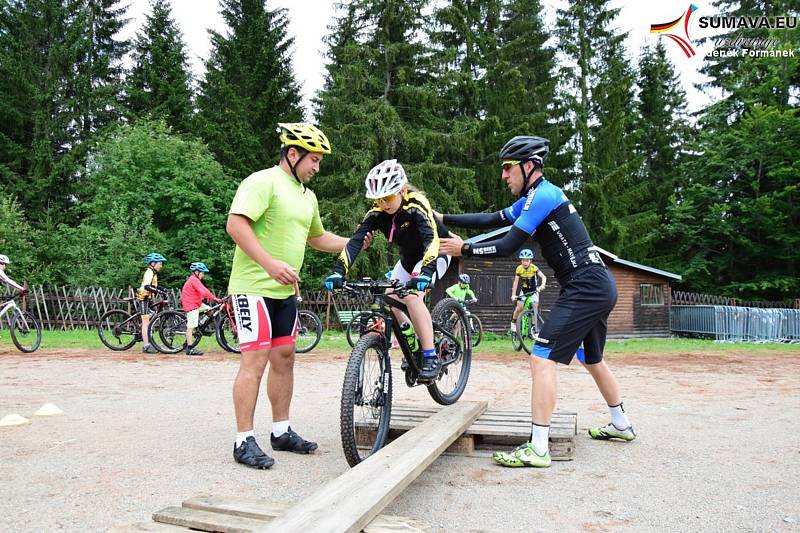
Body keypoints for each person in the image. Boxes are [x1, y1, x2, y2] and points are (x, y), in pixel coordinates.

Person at [437, 135, 635, 468]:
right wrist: (445, 217)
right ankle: (621, 424)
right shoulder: (534, 197)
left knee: (541, 358)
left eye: (507, 168)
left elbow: (509, 244)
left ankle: (539, 448)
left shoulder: (544, 195)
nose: (503, 176)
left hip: (585, 285)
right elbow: (493, 219)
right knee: (592, 358)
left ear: (529, 166)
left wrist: (465, 249)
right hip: (597, 284)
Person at [226, 122, 368, 470]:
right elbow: (236, 224)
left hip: (284, 291)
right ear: (293, 154)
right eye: (314, 160)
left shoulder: (307, 196)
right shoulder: (262, 182)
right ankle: (243, 439)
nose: (317, 168)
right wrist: (271, 264)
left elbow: (317, 238)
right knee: (255, 361)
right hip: (252, 286)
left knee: (285, 357)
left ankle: (281, 430)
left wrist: (354, 242)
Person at [324, 159, 451, 380]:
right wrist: (338, 271)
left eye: (388, 197)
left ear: (402, 190)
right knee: (388, 297)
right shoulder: (377, 212)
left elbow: (431, 242)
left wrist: (426, 274)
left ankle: (429, 354)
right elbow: (355, 242)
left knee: (411, 297)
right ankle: (411, 339)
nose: (383, 203)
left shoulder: (417, 205)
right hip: (408, 259)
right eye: (378, 199)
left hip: (437, 252)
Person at [181, 262, 221, 356]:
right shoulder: (193, 280)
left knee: (210, 310)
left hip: (197, 303)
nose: (203, 274)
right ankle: (190, 348)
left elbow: (201, 291)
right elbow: (203, 290)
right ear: (196, 272)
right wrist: (214, 298)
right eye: (202, 272)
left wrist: (208, 297)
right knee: (191, 326)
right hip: (191, 305)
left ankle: (201, 326)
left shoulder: (195, 279)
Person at [137, 253, 169, 354]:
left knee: (152, 317)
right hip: (144, 298)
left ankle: (144, 332)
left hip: (149, 298)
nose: (161, 265)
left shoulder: (153, 273)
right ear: (153, 263)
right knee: (146, 322)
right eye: (160, 263)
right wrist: (159, 292)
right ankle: (146, 346)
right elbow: (147, 286)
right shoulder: (149, 272)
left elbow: (154, 286)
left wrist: (163, 289)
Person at [510, 249, 547, 332]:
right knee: (519, 308)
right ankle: (513, 322)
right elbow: (515, 283)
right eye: (523, 260)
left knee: (535, 308)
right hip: (524, 291)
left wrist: (542, 285)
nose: (525, 262)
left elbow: (544, 277)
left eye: (527, 260)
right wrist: (513, 295)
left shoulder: (534, 268)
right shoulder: (519, 269)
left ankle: (534, 327)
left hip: (534, 291)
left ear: (530, 261)